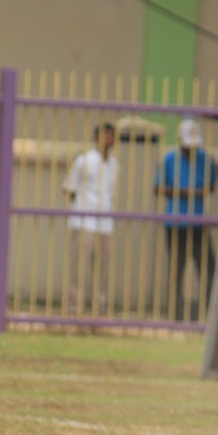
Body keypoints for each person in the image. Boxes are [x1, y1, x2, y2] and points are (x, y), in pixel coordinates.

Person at [154, 118, 218, 321]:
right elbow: (158, 188)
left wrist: (199, 192)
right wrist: (183, 193)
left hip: (198, 222)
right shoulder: (168, 159)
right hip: (175, 223)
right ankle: (176, 314)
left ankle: (210, 314)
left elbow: (211, 185)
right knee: (176, 270)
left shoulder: (205, 159)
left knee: (208, 269)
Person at [64, 121, 118, 313]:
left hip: (105, 224)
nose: (109, 140)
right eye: (105, 135)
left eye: (112, 136)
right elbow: (69, 189)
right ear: (96, 138)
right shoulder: (83, 161)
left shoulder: (114, 163)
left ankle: (100, 307)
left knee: (102, 270)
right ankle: (74, 306)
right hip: (84, 221)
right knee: (79, 268)